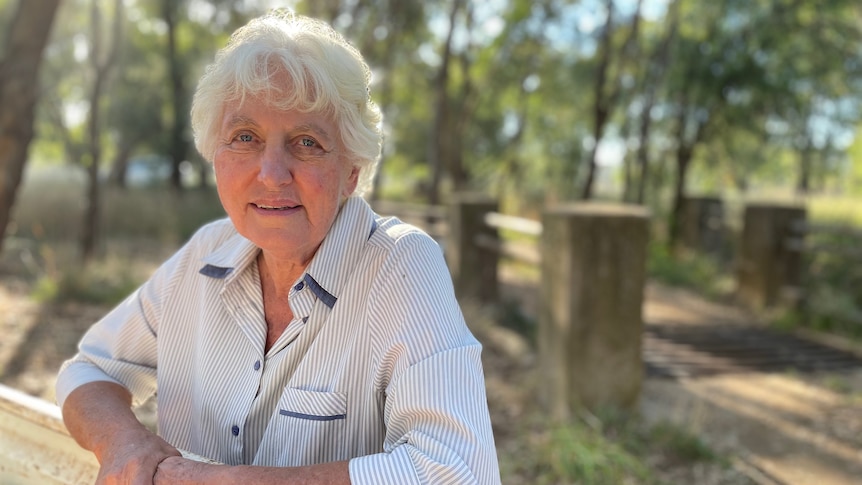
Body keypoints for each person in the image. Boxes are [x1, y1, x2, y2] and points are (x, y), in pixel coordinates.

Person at [55, 11, 500, 485]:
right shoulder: (206, 252)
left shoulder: (400, 264)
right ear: (215, 154)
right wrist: (125, 442)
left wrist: (228, 481)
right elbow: (89, 371)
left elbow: (459, 471)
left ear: (352, 170)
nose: (271, 174)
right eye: (245, 138)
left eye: (307, 142)